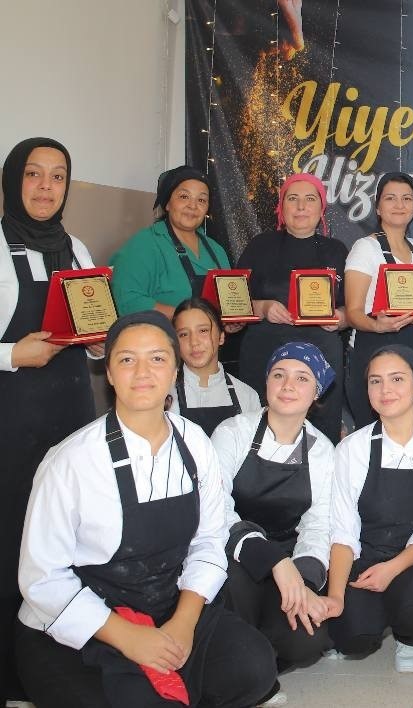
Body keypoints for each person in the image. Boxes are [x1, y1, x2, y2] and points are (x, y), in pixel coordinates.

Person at [15, 311, 276, 708]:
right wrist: (128, 636)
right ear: (109, 372)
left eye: (157, 358)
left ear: (174, 370)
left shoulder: (194, 444)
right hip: (87, 621)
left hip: (166, 604)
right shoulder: (71, 461)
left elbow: (209, 541)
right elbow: (42, 579)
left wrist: (183, 623)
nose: (142, 372)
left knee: (253, 668)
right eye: (126, 359)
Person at [0, 137, 100, 703]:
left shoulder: (76, 248)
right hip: (11, 413)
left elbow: (89, 332)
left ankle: (60, 664)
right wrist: (13, 353)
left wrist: (99, 341)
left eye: (57, 176)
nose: (45, 187)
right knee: (13, 533)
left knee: (65, 533)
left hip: (70, 410)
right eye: (33, 174)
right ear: (13, 182)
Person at [210, 342, 335, 686]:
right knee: (232, 584)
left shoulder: (322, 451)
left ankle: (261, 662)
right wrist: (271, 560)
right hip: (233, 551)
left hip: (289, 559)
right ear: (266, 383)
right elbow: (215, 506)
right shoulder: (233, 432)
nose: (288, 385)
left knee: (308, 639)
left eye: (302, 378)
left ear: (317, 393)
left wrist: (304, 582)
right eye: (279, 375)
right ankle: (238, 665)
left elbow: (318, 525)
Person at [324, 345, 413, 673]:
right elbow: (343, 529)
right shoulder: (353, 448)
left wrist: (392, 568)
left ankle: (411, 638)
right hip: (365, 554)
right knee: (352, 636)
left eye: (397, 379)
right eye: (375, 381)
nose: (385, 390)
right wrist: (336, 597)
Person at [237, 172, 349, 442]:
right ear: (281, 206)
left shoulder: (337, 251)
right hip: (264, 352)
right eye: (293, 199)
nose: (301, 206)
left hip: (322, 355)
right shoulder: (260, 246)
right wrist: (263, 307)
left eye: (310, 199)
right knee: (259, 433)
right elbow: (233, 303)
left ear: (321, 208)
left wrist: (340, 318)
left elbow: (352, 309)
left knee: (321, 436)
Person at [343, 172, 413, 429]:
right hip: (372, 345)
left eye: (407, 199)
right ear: (378, 207)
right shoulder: (365, 248)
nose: (399, 205)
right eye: (390, 198)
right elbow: (353, 312)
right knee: (371, 429)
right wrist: (378, 325)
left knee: (405, 426)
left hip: (412, 345)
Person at [110, 166, 231, 317]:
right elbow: (126, 300)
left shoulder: (217, 251)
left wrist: (231, 321)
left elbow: (228, 302)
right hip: (162, 332)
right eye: (184, 196)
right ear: (167, 203)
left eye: (201, 200)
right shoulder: (145, 244)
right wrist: (185, 318)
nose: (193, 206)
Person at [169, 297, 261, 435]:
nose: (194, 342)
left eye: (203, 331)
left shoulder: (247, 395)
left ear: (221, 337)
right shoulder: (164, 394)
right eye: (183, 334)